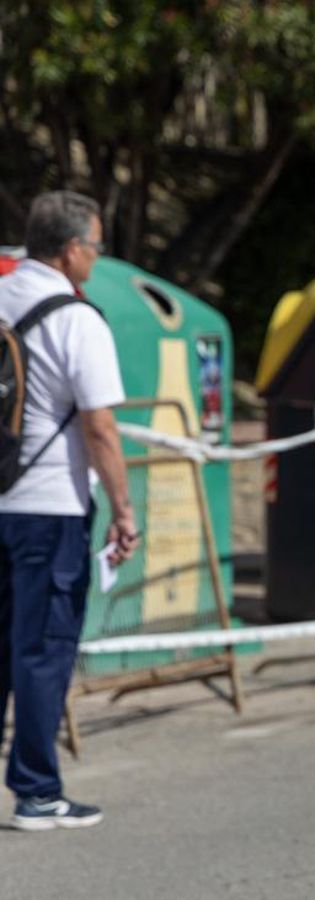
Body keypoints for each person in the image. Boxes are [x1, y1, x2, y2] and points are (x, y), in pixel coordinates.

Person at [0, 191, 138, 831]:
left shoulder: (2, 297)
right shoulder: (78, 319)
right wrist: (123, 509)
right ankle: (36, 791)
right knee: (43, 649)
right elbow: (101, 428)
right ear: (71, 248)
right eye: (97, 246)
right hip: (50, 504)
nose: (98, 257)